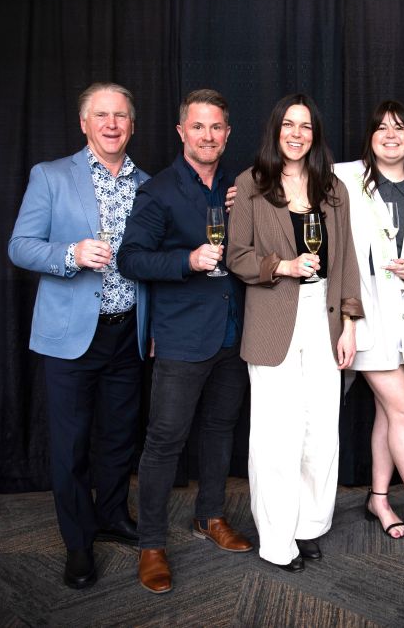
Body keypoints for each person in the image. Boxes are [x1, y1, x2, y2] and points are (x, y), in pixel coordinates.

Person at [8, 82, 149, 589]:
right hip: (69, 336)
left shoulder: (146, 183)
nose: (112, 124)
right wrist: (70, 255)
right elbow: (20, 246)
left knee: (117, 438)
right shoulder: (50, 176)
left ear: (132, 125)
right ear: (84, 123)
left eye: (121, 116)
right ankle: (78, 542)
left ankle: (111, 516)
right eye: (101, 115)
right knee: (69, 446)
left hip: (126, 333)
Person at [118, 89, 252, 594]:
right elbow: (131, 258)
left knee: (220, 430)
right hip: (180, 338)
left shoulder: (241, 188)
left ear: (227, 133)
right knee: (164, 442)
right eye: (199, 127)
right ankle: (151, 543)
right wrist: (185, 261)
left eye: (216, 127)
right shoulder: (158, 191)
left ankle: (210, 517)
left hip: (233, 333)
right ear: (181, 132)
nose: (208, 136)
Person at [226, 93, 363, 573]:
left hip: (324, 320)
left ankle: (307, 526)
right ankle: (276, 541)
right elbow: (236, 256)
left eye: (305, 126)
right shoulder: (250, 184)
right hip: (273, 320)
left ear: (315, 134)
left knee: (321, 434)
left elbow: (346, 261)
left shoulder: (334, 189)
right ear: (275, 130)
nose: (297, 133)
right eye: (289, 124)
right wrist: (282, 265)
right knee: (276, 437)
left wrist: (349, 324)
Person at [334, 100, 404, 552]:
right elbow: (288, 180)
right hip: (365, 320)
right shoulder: (343, 177)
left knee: (388, 412)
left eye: (399, 127)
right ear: (370, 136)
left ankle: (379, 498)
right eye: (381, 128)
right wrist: (245, 195)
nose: (390, 135)